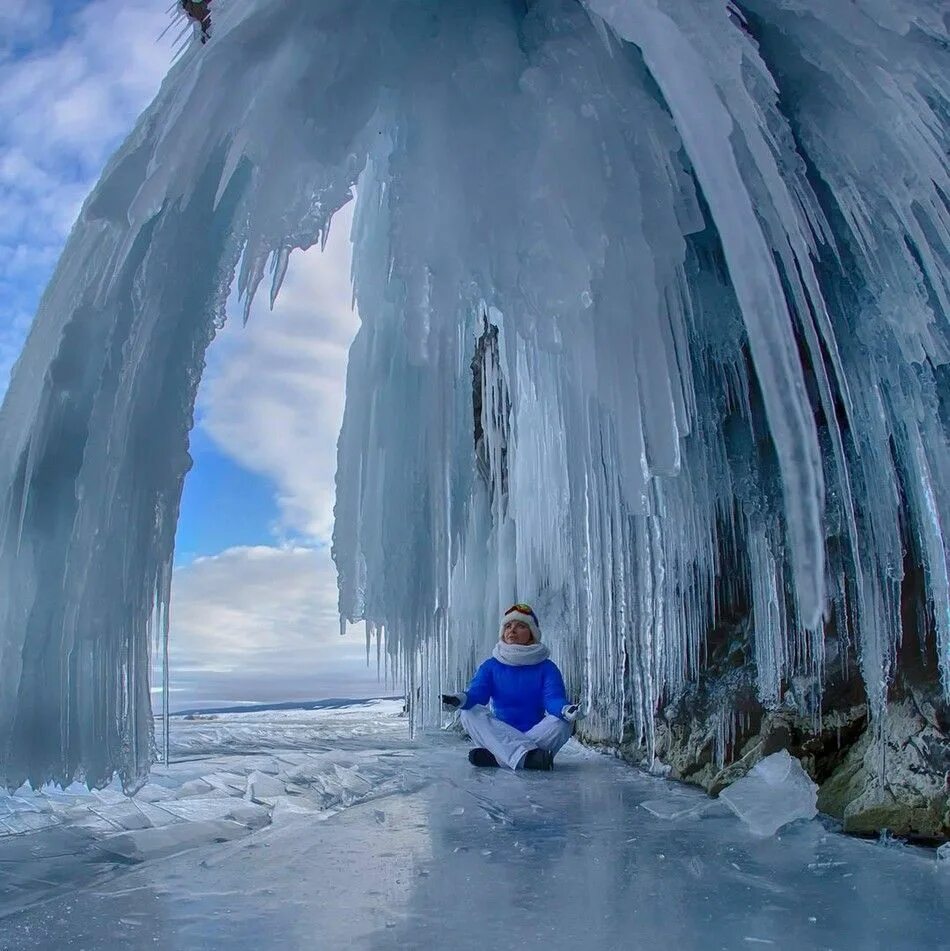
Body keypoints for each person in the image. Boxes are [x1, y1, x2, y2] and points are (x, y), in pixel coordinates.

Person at [442, 603, 581, 770]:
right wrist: (459, 699)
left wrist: (565, 709)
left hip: (536, 734)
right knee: (468, 713)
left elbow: (553, 699)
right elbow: (477, 694)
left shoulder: (546, 667)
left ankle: (499, 758)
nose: (512, 630)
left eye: (520, 626)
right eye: (508, 626)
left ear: (532, 634)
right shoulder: (491, 666)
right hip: (499, 733)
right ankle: (526, 758)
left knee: (564, 722)